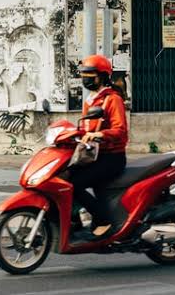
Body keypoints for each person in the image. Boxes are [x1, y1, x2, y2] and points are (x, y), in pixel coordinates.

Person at [69, 54, 128, 237]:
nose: (86, 79)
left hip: (112, 157)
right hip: (93, 154)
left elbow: (120, 131)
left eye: (90, 76)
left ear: (102, 76)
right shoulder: (90, 100)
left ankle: (103, 220)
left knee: (75, 184)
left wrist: (99, 134)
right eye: (84, 75)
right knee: (63, 177)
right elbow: (85, 127)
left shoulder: (112, 99)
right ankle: (73, 221)